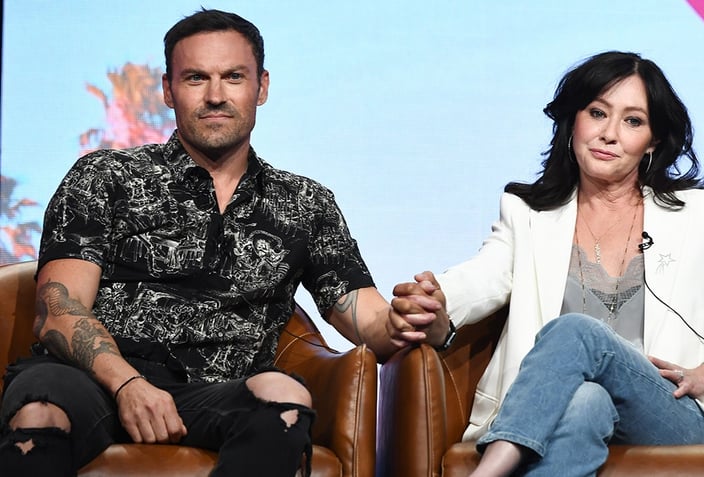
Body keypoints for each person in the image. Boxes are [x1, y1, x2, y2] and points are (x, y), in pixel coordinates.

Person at [0, 9, 441, 477]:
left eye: (233, 77)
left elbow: (366, 316)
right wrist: (127, 383)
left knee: (285, 394)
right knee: (39, 408)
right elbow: (58, 309)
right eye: (195, 78)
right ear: (168, 90)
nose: (215, 96)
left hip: (219, 392)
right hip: (96, 381)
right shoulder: (105, 176)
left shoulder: (305, 203)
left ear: (262, 87)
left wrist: (410, 320)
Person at [392, 51, 704, 476]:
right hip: (563, 411)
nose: (609, 134)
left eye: (633, 121)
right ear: (574, 121)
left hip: (669, 412)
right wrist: (434, 303)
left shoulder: (703, 215)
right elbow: (479, 280)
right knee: (585, 400)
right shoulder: (529, 215)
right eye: (597, 113)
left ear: (653, 141)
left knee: (577, 332)